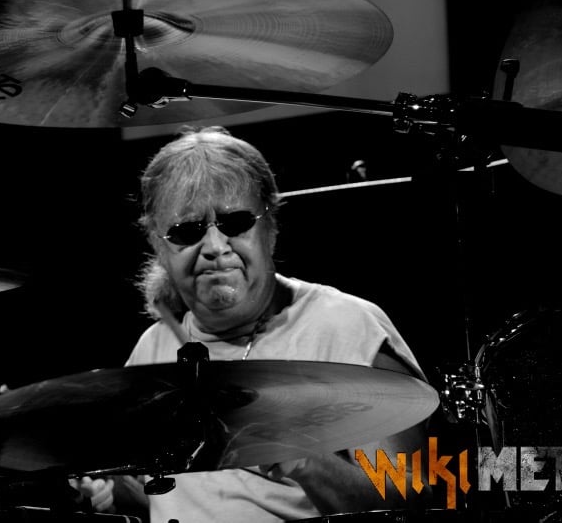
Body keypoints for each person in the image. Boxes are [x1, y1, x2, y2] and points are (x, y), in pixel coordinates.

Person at [70, 126, 435, 522]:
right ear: (159, 246)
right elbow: (171, 500)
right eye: (187, 231)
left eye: (236, 223)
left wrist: (305, 460)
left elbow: (414, 498)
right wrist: (111, 491)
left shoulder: (347, 326)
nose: (215, 247)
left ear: (270, 228)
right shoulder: (153, 348)